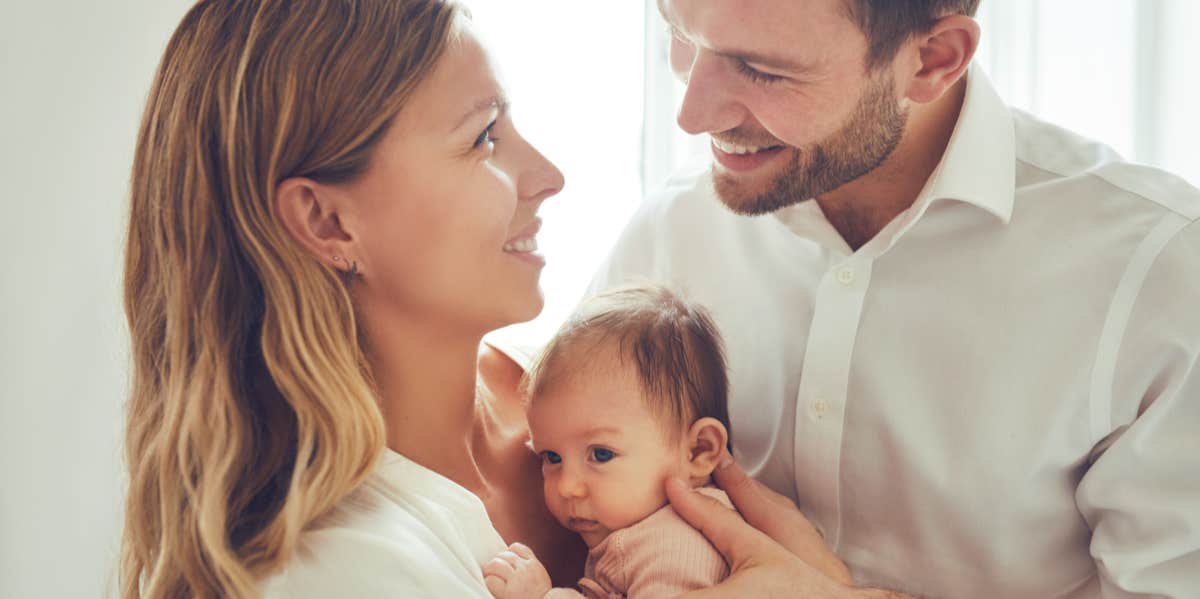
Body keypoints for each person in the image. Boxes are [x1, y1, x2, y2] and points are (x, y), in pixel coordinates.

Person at [481, 0, 1200, 597]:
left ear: (933, 58)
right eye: (681, 33)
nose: (693, 115)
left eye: (761, 70)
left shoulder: (1156, 274)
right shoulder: (676, 228)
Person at [120, 1, 590, 597]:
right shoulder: (333, 569)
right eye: (483, 138)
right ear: (326, 223)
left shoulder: (596, 382)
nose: (549, 176)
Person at [483, 286, 761, 598]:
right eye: (552, 457)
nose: (567, 487)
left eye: (600, 454)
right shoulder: (643, 533)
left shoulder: (676, 546)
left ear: (699, 450)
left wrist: (542, 596)